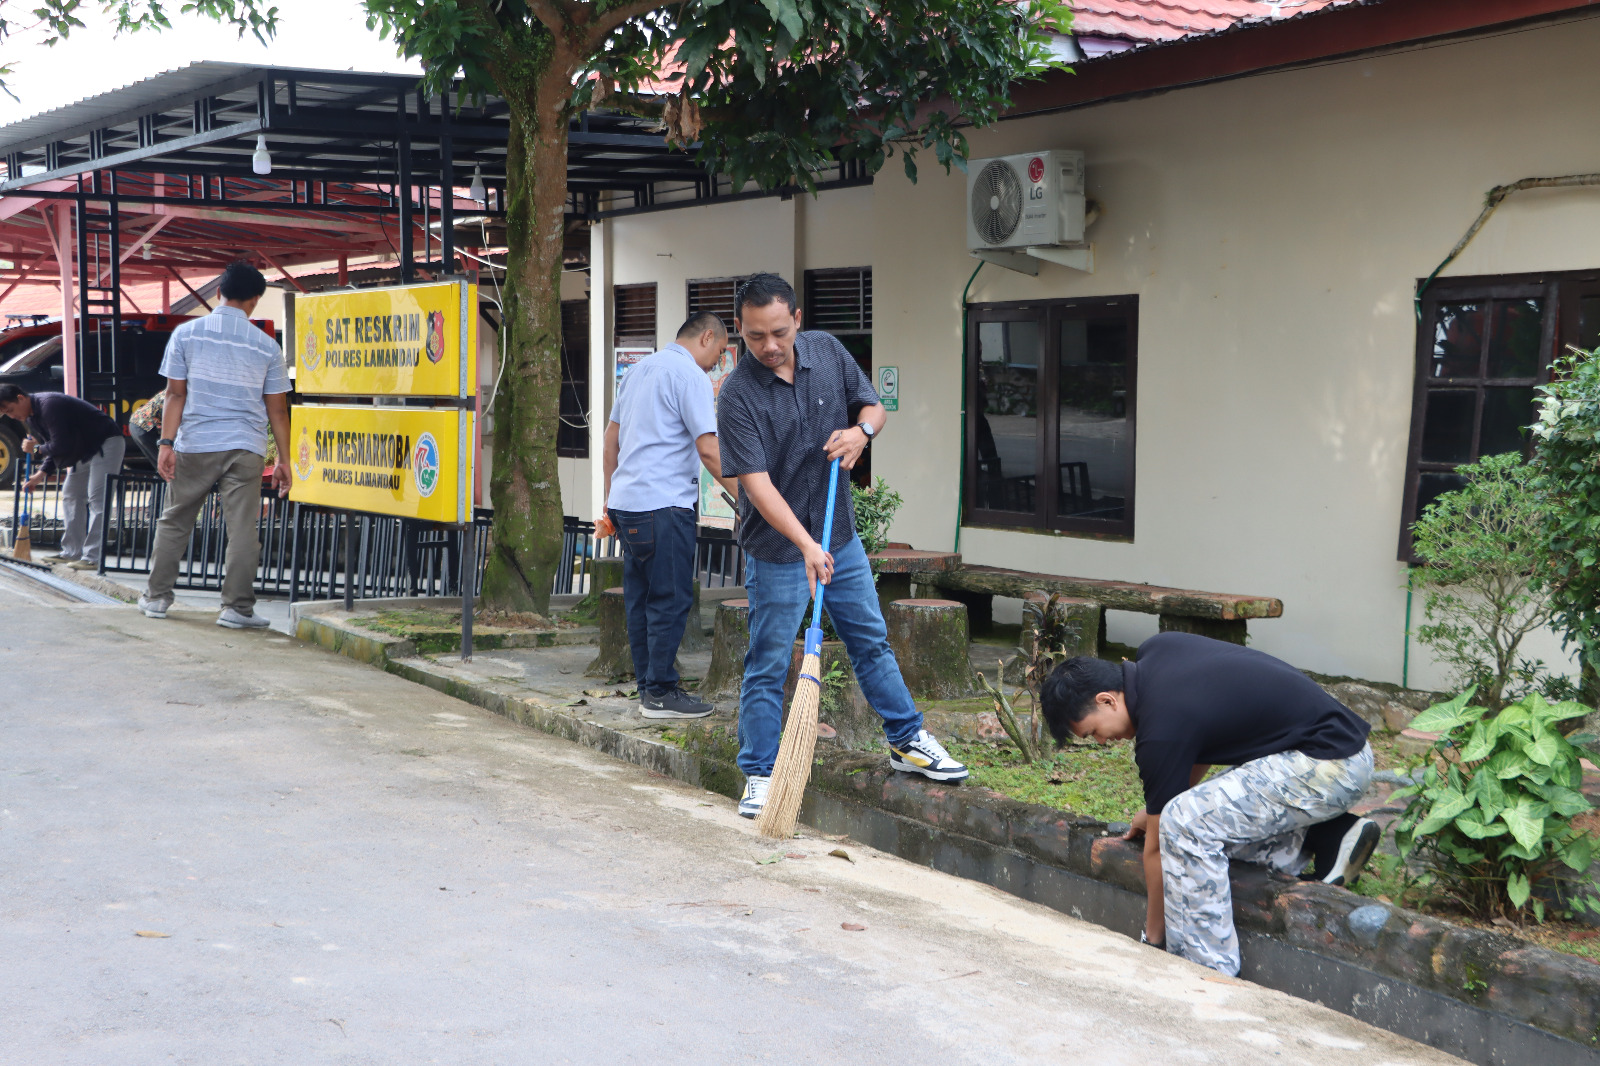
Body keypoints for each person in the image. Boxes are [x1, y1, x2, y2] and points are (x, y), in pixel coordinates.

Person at [716, 273, 969, 820]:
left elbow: (873, 408)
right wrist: (806, 544)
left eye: (779, 332)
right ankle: (760, 773)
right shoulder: (736, 395)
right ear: (740, 329)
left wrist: (862, 434)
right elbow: (755, 486)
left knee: (871, 642)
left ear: (797, 320)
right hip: (779, 550)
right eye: (756, 336)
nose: (769, 346)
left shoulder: (828, 352)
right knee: (767, 664)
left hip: (840, 538)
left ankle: (907, 741)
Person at [1040, 633, 1381, 977]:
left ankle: (1204, 969)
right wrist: (1155, 807)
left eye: (1092, 731)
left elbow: (1158, 848)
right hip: (1325, 751)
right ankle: (1325, 835)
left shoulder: (1159, 730)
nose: (1101, 741)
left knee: (1185, 826)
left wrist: (1154, 940)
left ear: (1107, 700)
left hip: (1330, 766)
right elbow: (1196, 738)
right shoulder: (1158, 651)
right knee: (1190, 818)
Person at [137, 261, 291, 629]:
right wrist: (284, 459)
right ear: (255, 300)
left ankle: (157, 598)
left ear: (219, 292)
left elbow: (175, 395)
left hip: (197, 442)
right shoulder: (267, 346)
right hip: (246, 447)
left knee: (175, 520)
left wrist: (166, 444)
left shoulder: (187, 335)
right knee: (242, 529)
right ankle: (236, 608)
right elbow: (278, 411)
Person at [602, 311, 740, 719]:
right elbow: (709, 449)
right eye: (720, 349)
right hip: (664, 505)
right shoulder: (690, 376)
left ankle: (649, 687)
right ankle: (661, 692)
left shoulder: (639, 371)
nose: (719, 359)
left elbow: (611, 442)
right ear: (707, 337)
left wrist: (609, 501)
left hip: (627, 505)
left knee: (642, 598)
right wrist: (748, 500)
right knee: (672, 598)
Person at [0, 383, 126, 571]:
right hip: (83, 450)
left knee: (98, 499)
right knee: (71, 495)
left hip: (106, 442)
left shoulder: (49, 405)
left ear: (20, 398)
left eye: (11, 410)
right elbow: (54, 447)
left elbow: (61, 444)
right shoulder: (32, 417)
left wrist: (36, 449)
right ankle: (72, 552)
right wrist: (40, 475)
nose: (12, 416)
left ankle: (92, 557)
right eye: (6, 414)